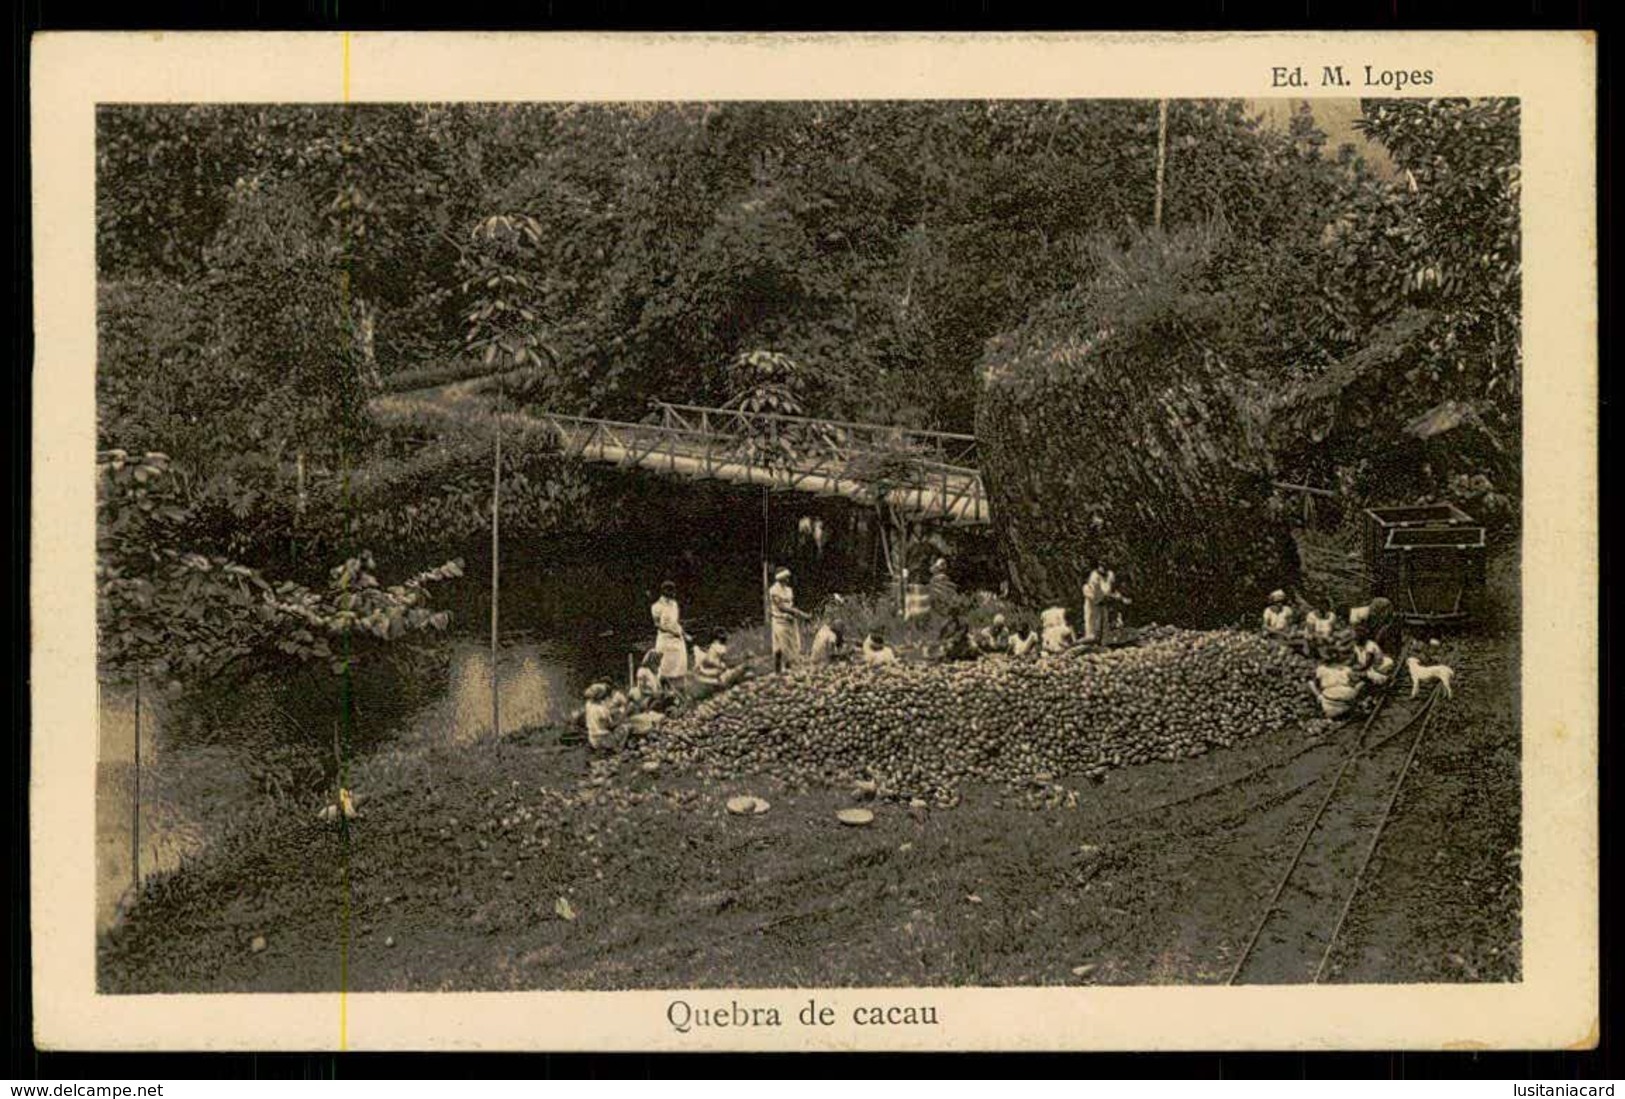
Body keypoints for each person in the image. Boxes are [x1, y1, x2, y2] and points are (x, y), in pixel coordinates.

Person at [768, 567, 810, 672]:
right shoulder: (774, 590)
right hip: (779, 621)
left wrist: (796, 613)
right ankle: (778, 670)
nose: (787, 580)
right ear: (780, 579)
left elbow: (790, 605)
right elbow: (782, 607)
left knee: (793, 645)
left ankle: (790, 668)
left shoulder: (789, 590)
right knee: (781, 646)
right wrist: (799, 613)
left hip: (790, 620)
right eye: (785, 578)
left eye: (788, 578)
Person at [650, 580, 689, 691]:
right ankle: (664, 690)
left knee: (680, 666)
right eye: (671, 591)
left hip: (677, 640)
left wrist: (683, 633)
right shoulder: (656, 607)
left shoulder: (674, 604)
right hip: (665, 640)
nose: (673, 593)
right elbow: (657, 624)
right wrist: (670, 630)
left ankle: (679, 689)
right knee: (665, 667)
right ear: (665, 591)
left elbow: (675, 622)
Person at [583, 683, 626, 751]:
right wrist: (620, 720)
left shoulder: (588, 704)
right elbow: (610, 725)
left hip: (592, 739)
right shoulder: (602, 709)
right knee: (624, 729)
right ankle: (618, 749)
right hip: (604, 739)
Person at [1083, 563, 1109, 643]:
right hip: (1091, 607)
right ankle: (1091, 639)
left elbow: (1103, 592)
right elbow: (1092, 597)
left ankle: (1103, 640)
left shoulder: (1099, 584)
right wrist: (1099, 599)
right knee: (1091, 623)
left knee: (1103, 622)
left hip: (1100, 605)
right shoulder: (1086, 587)